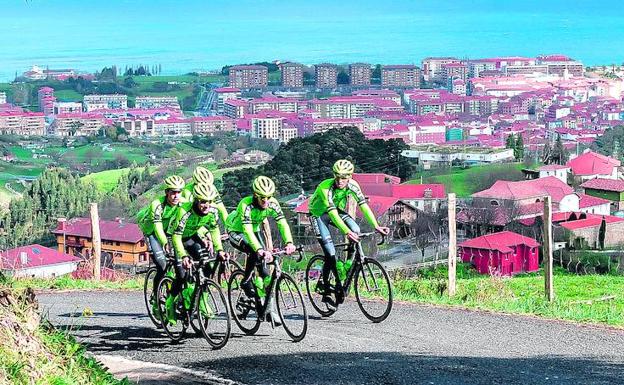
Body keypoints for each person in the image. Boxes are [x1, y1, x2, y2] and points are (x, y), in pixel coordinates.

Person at [308, 159, 390, 306]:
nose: (340, 181)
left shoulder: (353, 185)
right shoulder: (325, 188)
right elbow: (332, 214)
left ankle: (348, 263)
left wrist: (376, 225)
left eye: (344, 178)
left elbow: (363, 205)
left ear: (350, 177)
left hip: (335, 211)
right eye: (337, 177)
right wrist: (346, 232)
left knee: (356, 230)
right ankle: (325, 287)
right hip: (319, 215)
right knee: (330, 253)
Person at [225, 176, 296, 324]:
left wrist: (289, 242)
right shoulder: (245, 204)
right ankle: (245, 281)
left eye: (269, 197)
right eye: (262, 197)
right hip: (236, 231)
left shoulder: (273, 203)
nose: (266, 201)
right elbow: (247, 231)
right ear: (255, 195)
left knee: (264, 272)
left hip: (254, 229)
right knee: (254, 251)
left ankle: (266, 308)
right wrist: (259, 249)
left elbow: (282, 223)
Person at [165, 182, 225, 323]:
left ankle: (202, 300)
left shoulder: (212, 211)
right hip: (176, 238)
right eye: (203, 202)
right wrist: (184, 256)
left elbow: (214, 230)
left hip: (192, 236)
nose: (207, 206)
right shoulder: (184, 211)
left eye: (210, 202)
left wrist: (220, 249)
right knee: (181, 274)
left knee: (207, 267)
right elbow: (176, 236)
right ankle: (170, 302)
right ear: (196, 200)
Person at [136, 175, 186, 319]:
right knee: (162, 265)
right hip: (152, 232)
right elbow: (157, 227)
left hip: (170, 231)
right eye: (173, 192)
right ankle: (156, 298)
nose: (176, 196)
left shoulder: (183, 203)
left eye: (179, 192)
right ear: (166, 193)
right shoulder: (157, 204)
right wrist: (164, 243)